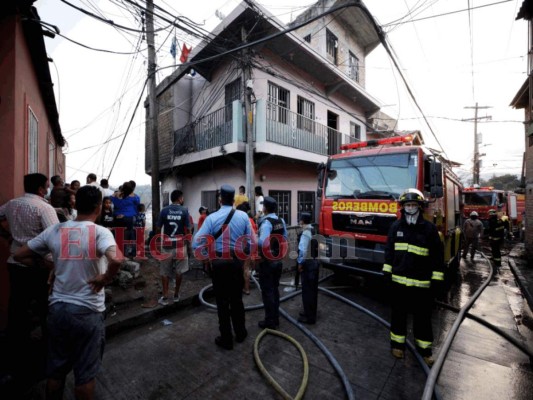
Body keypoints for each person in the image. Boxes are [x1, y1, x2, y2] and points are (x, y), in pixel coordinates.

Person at [14, 185, 123, 400]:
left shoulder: (55, 229)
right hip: (87, 311)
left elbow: (19, 255)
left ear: (76, 204)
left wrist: (51, 265)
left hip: (57, 309)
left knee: (55, 371)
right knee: (84, 376)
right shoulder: (100, 232)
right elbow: (117, 259)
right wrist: (105, 278)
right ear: (98, 207)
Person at [0, 173, 60, 384]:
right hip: (38, 265)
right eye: (46, 186)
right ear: (42, 189)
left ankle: (14, 361)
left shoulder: (11, 204)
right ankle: (46, 359)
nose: (48, 189)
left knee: (17, 310)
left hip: (15, 264)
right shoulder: (44, 208)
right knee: (45, 309)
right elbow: (55, 237)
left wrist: (8, 237)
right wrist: (54, 265)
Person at [382, 188, 444, 367]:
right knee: (398, 315)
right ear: (402, 207)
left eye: (413, 205)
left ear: (420, 207)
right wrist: (387, 273)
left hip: (421, 284)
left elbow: (437, 257)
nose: (410, 208)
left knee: (422, 318)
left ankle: (424, 350)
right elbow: (389, 253)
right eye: (407, 205)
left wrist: (437, 280)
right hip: (399, 283)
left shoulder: (429, 230)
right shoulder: (395, 228)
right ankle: (397, 345)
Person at [192, 185, 252, 350]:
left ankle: (226, 339)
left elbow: (196, 242)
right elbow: (252, 241)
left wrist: (206, 253)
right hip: (236, 263)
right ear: (233, 200)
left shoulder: (211, 218)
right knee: (237, 300)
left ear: (220, 200)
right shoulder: (243, 217)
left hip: (218, 264)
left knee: (222, 302)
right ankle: (240, 333)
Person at [257, 196, 288, 329]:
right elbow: (284, 238)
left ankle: (270, 321)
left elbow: (263, 242)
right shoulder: (281, 221)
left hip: (268, 262)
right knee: (275, 290)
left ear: (265, 208)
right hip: (278, 261)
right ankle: (275, 318)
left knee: (267, 292)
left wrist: (254, 238)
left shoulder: (266, 223)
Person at [156, 190, 190, 305]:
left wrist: (158, 242)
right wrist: (188, 243)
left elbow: (158, 228)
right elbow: (188, 229)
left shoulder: (164, 211)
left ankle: (165, 297)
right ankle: (176, 295)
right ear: (180, 199)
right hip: (181, 245)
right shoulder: (184, 210)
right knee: (179, 271)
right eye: (182, 198)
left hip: (167, 245)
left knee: (165, 271)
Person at [297, 212, 319, 324]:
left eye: (300, 219)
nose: (299, 221)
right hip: (314, 263)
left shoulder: (305, 233)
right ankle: (310, 312)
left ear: (303, 221)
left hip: (308, 265)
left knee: (307, 291)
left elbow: (303, 251)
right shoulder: (313, 230)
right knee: (313, 290)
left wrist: (300, 264)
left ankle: (309, 317)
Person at [111, 181, 140, 258]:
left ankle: (119, 254)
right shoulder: (134, 197)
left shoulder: (116, 195)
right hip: (129, 219)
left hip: (117, 219)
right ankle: (126, 254)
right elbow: (137, 206)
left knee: (118, 237)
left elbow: (112, 201)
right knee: (128, 236)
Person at [236, 202, 257, 295]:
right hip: (249, 248)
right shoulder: (251, 220)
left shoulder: (239, 220)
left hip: (240, 247)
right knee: (246, 269)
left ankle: (239, 288)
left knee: (238, 269)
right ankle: (247, 288)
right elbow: (254, 236)